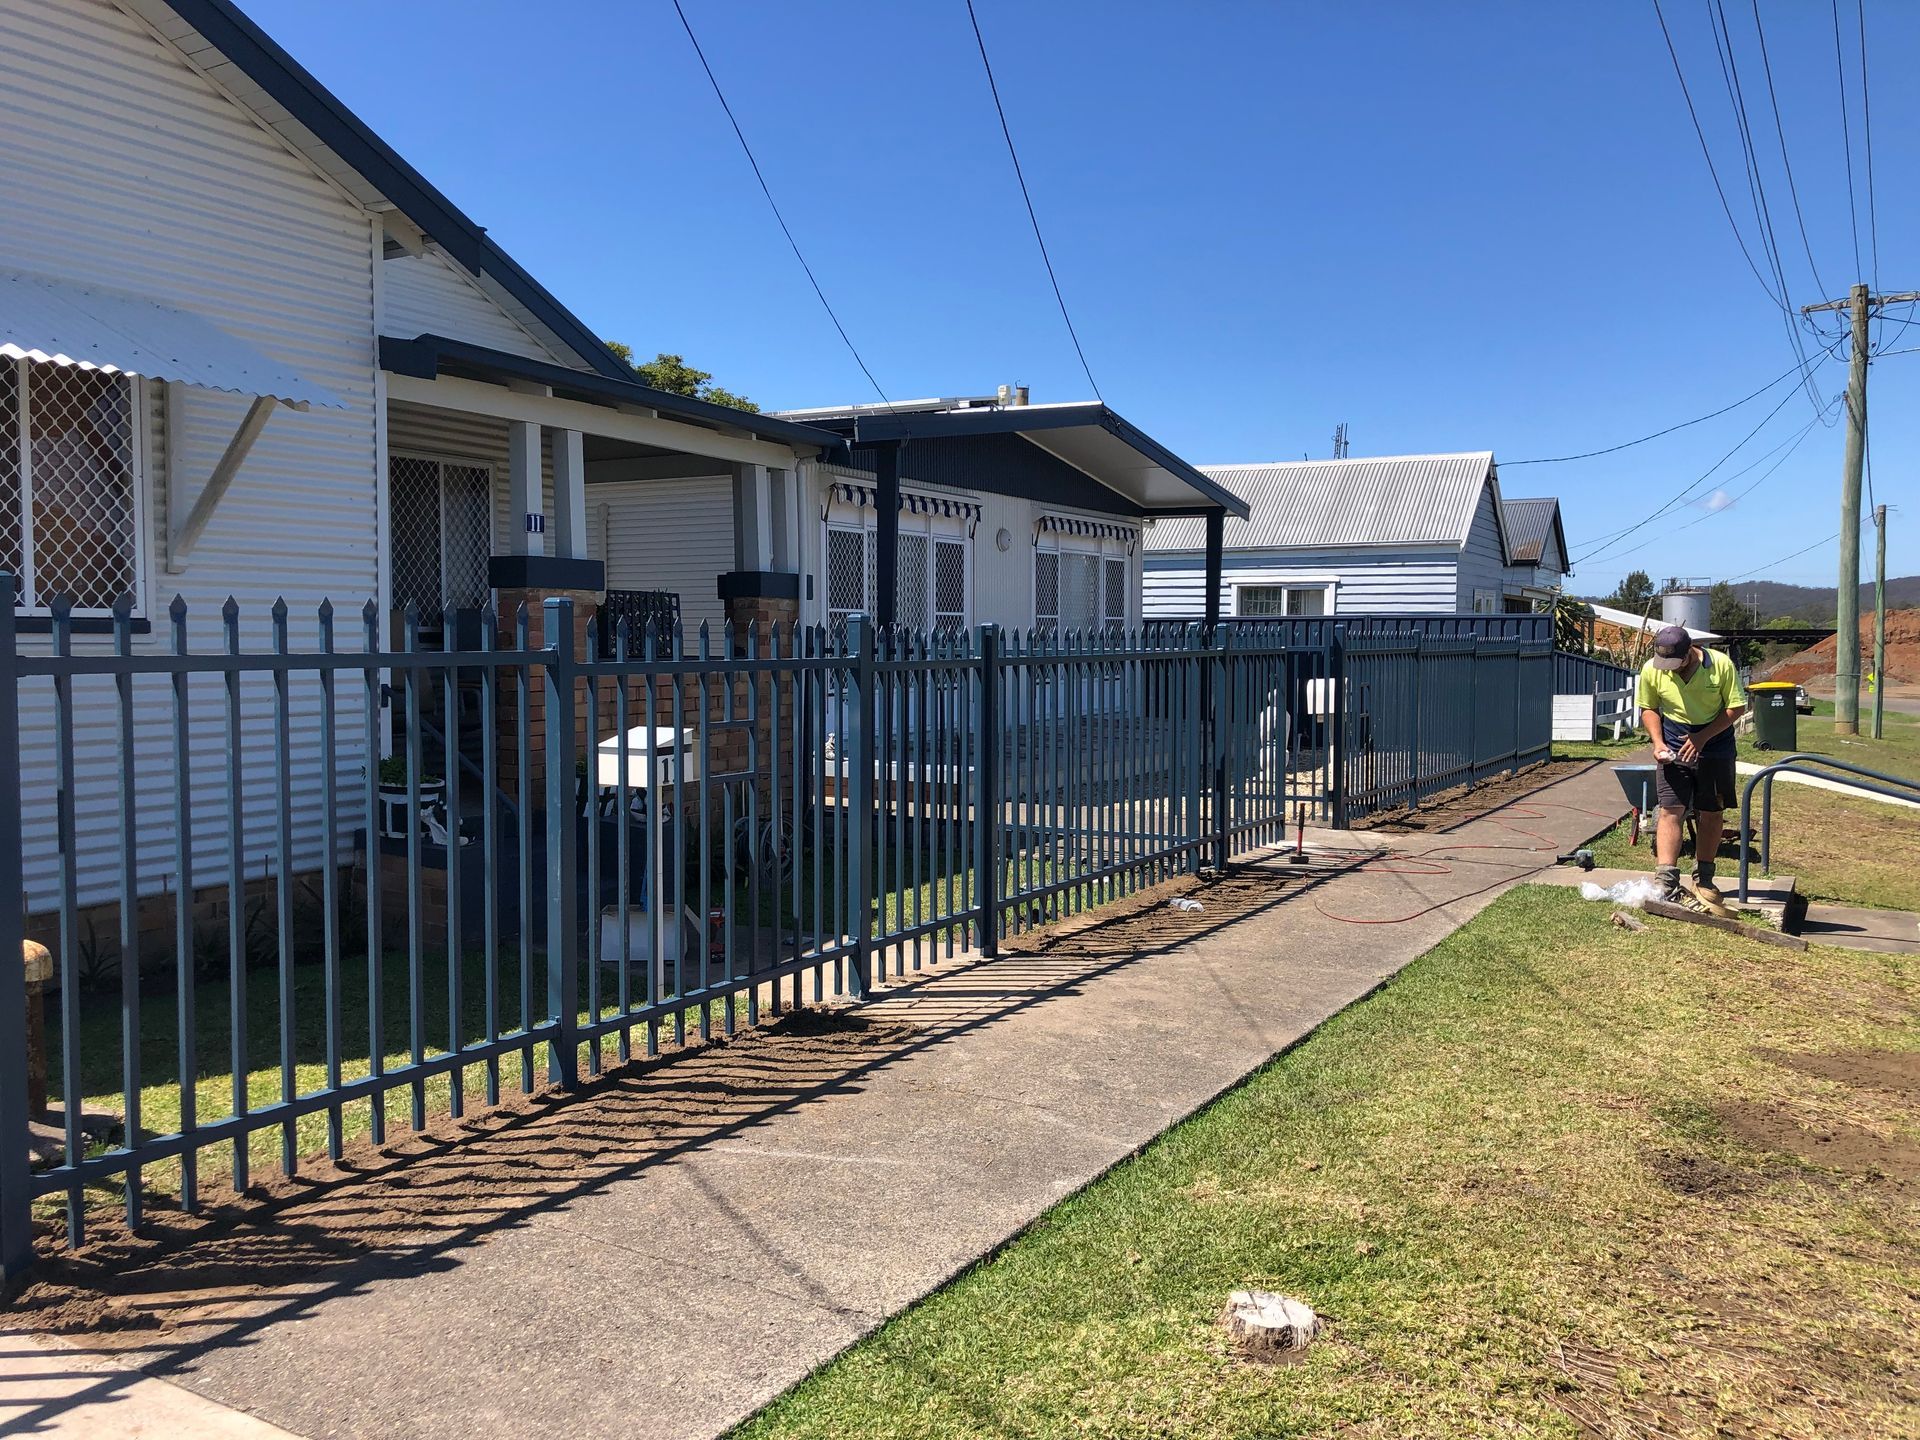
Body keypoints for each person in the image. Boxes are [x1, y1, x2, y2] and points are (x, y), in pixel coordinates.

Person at [1636, 624, 1747, 903]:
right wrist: (1658, 743)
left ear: (1690, 652)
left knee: (1710, 811)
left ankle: (1705, 879)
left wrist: (1701, 738)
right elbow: (1648, 708)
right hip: (1673, 740)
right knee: (1670, 809)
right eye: (1664, 663)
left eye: (1675, 662)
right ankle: (1666, 881)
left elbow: (1736, 707)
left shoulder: (1720, 665)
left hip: (1715, 744)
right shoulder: (1653, 668)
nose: (1669, 668)